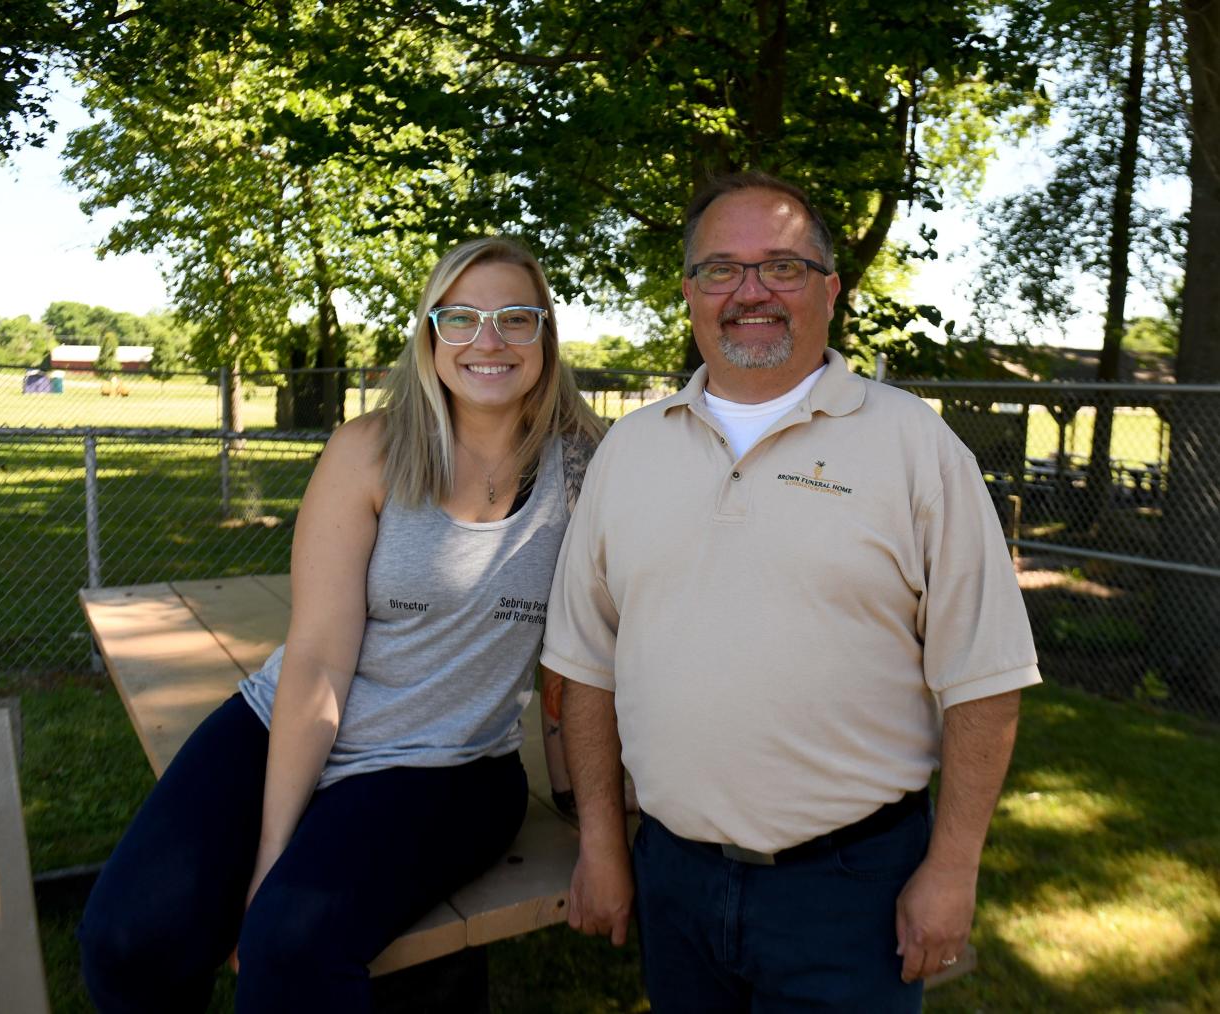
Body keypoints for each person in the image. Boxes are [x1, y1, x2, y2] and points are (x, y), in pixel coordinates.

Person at [541, 171, 1042, 1012]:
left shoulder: (917, 448)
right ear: (691, 293)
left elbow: (985, 681)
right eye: (721, 270)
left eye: (782, 266)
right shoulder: (629, 453)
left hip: (851, 892)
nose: (751, 293)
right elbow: (584, 668)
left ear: (830, 289)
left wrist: (952, 870)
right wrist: (601, 841)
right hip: (674, 876)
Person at [78, 236, 606, 1013]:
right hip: (283, 722)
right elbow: (320, 658)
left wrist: (589, 819)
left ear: (545, 335)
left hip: (446, 765)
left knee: (293, 945)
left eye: (514, 318)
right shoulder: (373, 450)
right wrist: (271, 851)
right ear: (429, 335)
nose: (487, 341)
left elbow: (583, 652)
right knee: (125, 941)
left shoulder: (587, 469)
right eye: (460, 318)